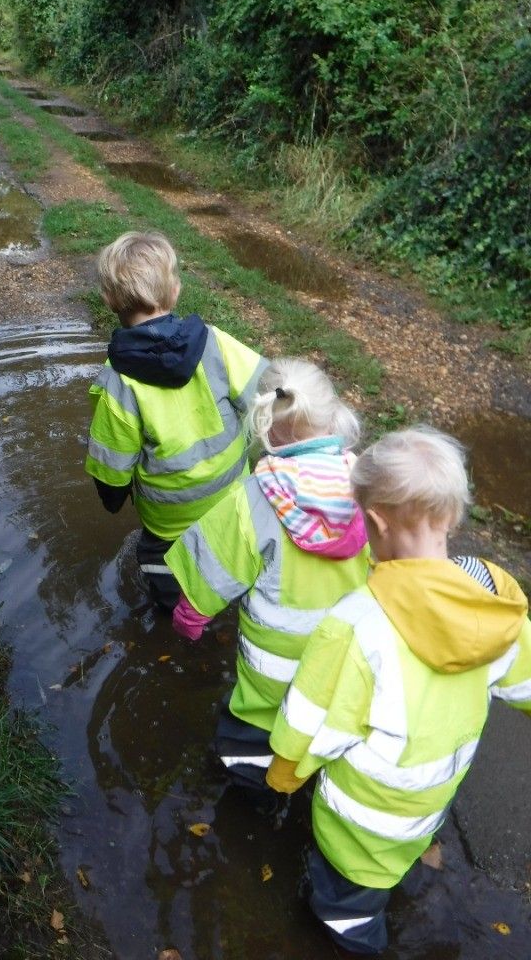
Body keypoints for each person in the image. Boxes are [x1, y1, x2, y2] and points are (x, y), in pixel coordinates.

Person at [267, 426, 531, 955]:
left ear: (376, 521)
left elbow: (314, 722)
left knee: (344, 905)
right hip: (430, 798)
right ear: (453, 517)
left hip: (360, 821)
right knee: (399, 857)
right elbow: (522, 683)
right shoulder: (493, 598)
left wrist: (283, 774)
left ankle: (354, 937)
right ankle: (409, 871)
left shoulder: (355, 623)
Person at [166, 358, 369, 800]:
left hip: (273, 667)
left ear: (266, 429)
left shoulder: (257, 496)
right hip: (344, 656)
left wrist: (189, 618)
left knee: (255, 725)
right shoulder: (368, 485)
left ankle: (250, 793)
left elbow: (213, 567)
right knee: (321, 721)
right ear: (333, 416)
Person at [85, 231, 267, 610]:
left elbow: (111, 470)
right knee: (237, 569)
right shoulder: (217, 344)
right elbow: (270, 396)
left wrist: (114, 499)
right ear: (176, 291)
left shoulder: (119, 383)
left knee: (166, 580)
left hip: (168, 526)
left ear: (109, 299)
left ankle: (174, 620)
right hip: (234, 506)